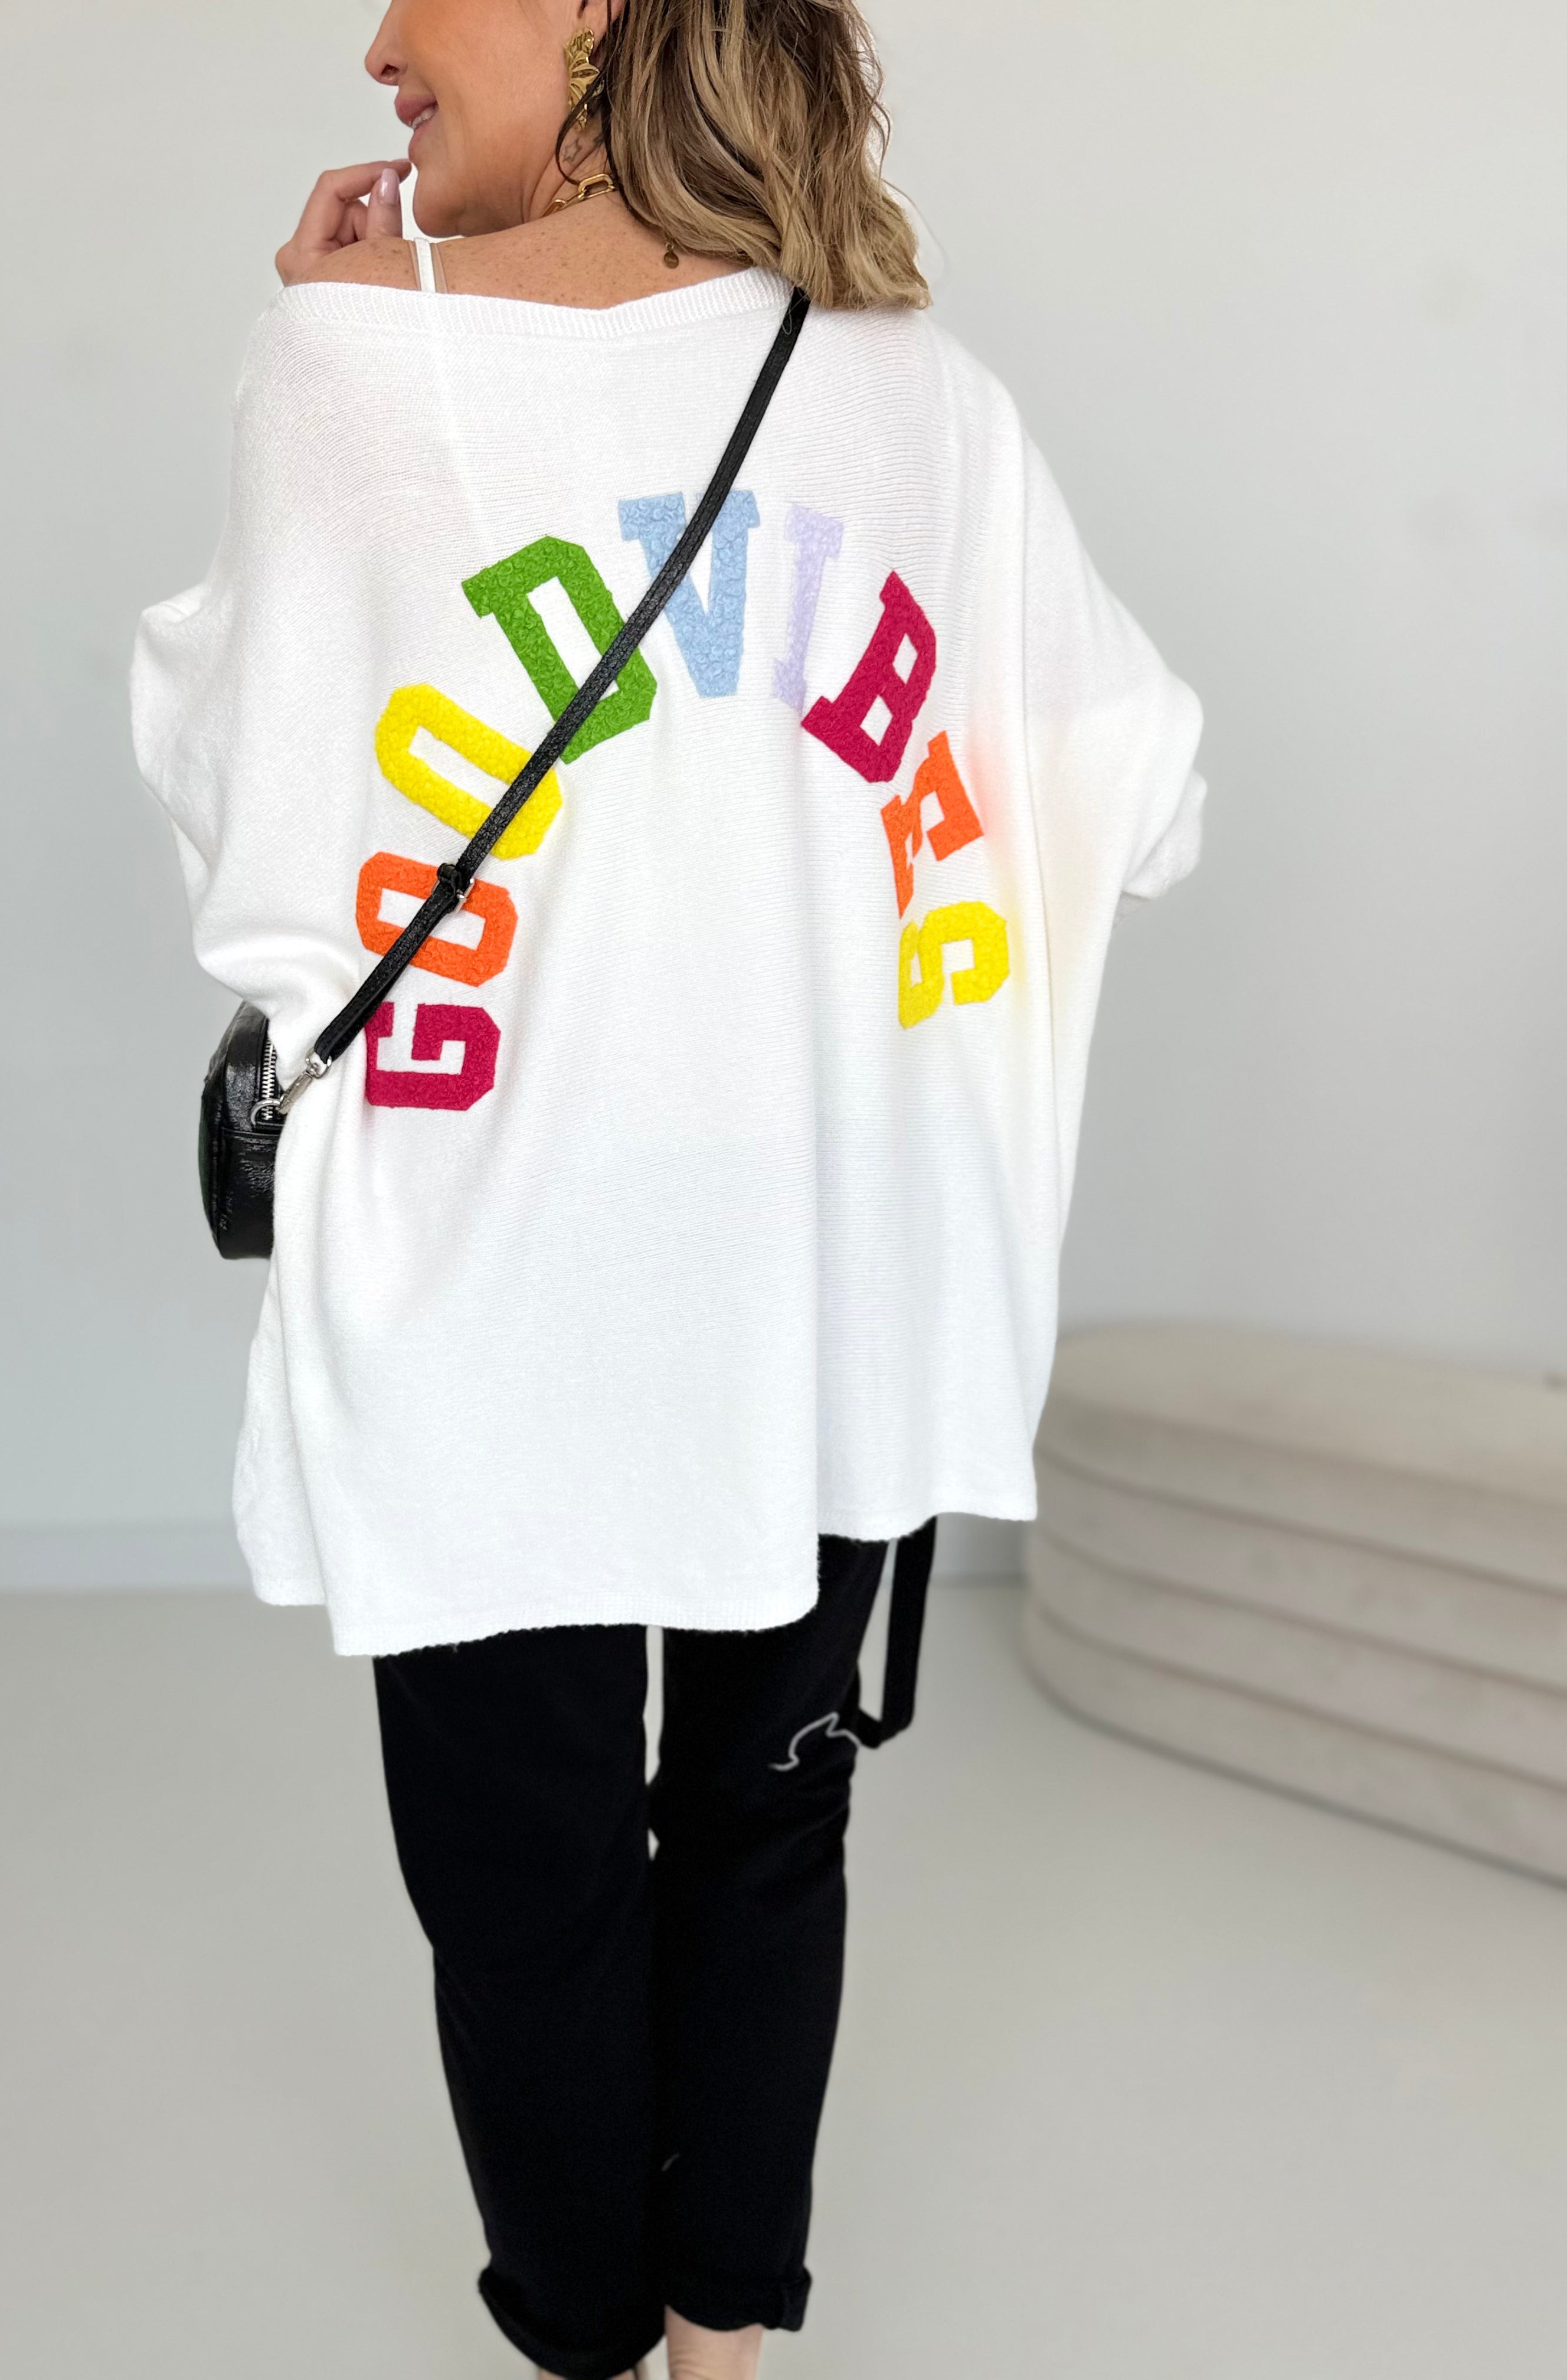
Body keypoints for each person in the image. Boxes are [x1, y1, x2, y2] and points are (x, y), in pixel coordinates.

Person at [131, 1, 1207, 2374]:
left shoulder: (343, 371)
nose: (379, 41)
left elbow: (246, 817)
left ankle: (604, 2339)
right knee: (762, 1822)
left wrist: (334, 347)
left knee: (524, 1885)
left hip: (482, 1262)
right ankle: (724, 2343)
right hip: (826, 1262)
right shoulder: (917, 397)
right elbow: (1133, 771)